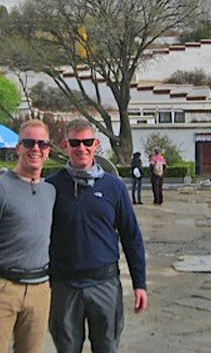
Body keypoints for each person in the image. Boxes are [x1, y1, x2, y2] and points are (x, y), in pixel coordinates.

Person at [46, 119, 147, 353]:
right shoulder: (51, 186)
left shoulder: (114, 187)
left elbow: (131, 237)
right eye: (75, 142)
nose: (81, 148)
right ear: (65, 145)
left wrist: (139, 283)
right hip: (64, 285)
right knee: (67, 348)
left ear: (96, 145)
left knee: (107, 346)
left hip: (104, 283)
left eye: (87, 142)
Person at [0, 119, 55, 353]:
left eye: (42, 143)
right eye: (28, 143)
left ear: (48, 150)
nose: (35, 149)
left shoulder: (50, 191)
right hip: (1, 290)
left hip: (39, 291)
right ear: (18, 148)